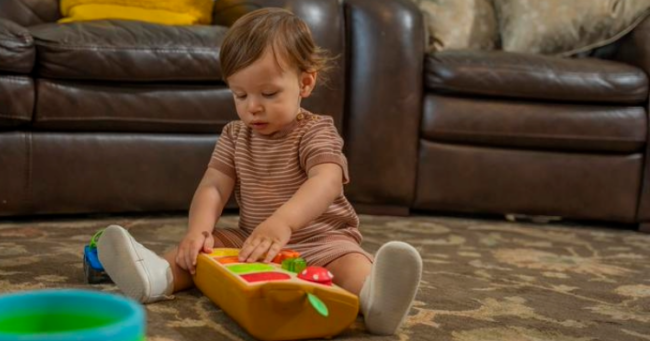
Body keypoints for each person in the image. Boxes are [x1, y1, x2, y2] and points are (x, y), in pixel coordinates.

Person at [97, 7, 422, 335]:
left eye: (269, 93)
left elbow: (327, 179)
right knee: (201, 252)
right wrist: (198, 230)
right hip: (253, 240)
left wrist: (282, 222)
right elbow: (213, 185)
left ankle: (376, 301)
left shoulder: (315, 131)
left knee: (351, 264)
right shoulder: (234, 134)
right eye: (240, 94)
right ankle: (156, 276)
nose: (252, 106)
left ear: (305, 82)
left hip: (322, 240)